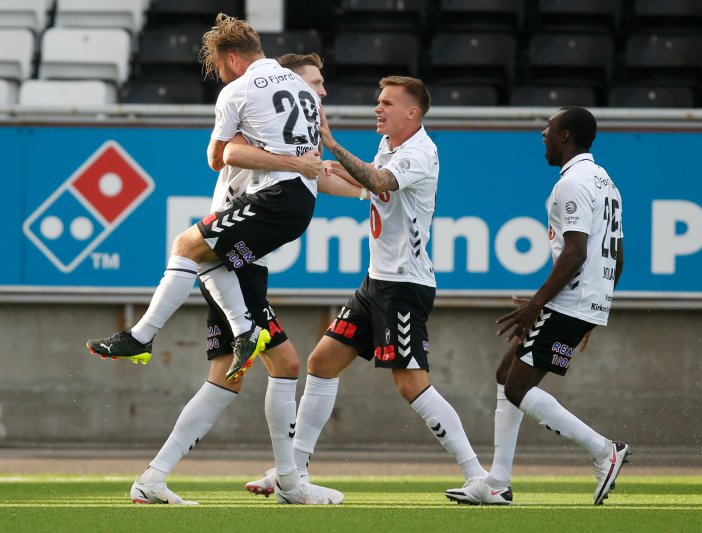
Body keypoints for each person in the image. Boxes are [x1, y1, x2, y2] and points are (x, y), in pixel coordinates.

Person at [119, 35, 354, 505]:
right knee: (280, 365)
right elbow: (228, 154)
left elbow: (323, 176)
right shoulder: (260, 118)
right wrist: (300, 163)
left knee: (232, 375)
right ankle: (290, 482)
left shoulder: (275, 121)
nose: (317, 94)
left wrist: (375, 187)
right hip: (230, 254)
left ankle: (154, 478)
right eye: (314, 83)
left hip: (239, 255)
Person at [244, 76, 487, 499]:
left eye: (387, 102)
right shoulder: (390, 148)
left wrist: (333, 147)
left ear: (412, 112)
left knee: (411, 384)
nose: (378, 108)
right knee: (321, 363)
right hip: (377, 282)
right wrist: (310, 167)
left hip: (405, 286)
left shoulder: (419, 152)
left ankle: (478, 476)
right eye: (378, 101)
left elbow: (379, 183)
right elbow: (361, 186)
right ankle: (292, 474)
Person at [87, 14, 325, 384]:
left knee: (185, 244)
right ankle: (243, 330)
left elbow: (216, 159)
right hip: (300, 203)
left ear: (231, 57)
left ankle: (142, 336)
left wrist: (246, 141)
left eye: (217, 65)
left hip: (276, 195)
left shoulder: (238, 91)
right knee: (207, 258)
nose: (219, 74)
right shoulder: (301, 84)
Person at [444, 107, 630, 506]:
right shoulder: (605, 182)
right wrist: (597, 310)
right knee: (505, 374)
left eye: (549, 128)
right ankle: (498, 481)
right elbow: (618, 253)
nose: (542, 134)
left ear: (565, 136)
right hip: (585, 301)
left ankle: (604, 451)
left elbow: (576, 251)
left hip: (570, 300)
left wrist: (537, 305)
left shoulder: (573, 184)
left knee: (516, 388)